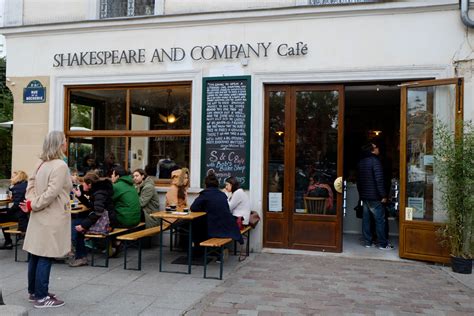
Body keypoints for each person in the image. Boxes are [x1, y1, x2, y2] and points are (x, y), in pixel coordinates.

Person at [19, 131, 71, 308]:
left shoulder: (40, 163)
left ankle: (34, 292)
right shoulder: (60, 165)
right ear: (59, 144)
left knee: (35, 253)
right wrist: (35, 204)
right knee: (46, 255)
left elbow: (30, 185)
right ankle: (42, 297)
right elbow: (52, 193)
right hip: (52, 214)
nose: (66, 144)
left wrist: (32, 202)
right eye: (64, 141)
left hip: (39, 215)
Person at [69, 171, 116, 267]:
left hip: (106, 223)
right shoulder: (98, 190)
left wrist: (83, 225)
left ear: (89, 184)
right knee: (76, 222)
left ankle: (79, 255)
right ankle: (75, 250)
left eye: (84, 184)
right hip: (105, 219)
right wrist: (80, 196)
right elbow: (93, 207)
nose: (82, 186)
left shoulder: (99, 193)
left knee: (76, 226)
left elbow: (98, 212)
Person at [190, 172, 243, 252]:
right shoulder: (222, 195)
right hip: (227, 227)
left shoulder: (205, 194)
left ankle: (197, 251)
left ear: (206, 185)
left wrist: (204, 208)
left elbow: (193, 207)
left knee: (194, 226)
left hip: (215, 227)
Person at [357, 142, 393, 250]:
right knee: (380, 220)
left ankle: (368, 242)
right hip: (375, 197)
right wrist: (383, 195)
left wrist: (361, 195)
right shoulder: (375, 161)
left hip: (365, 196)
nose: (378, 148)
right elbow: (379, 180)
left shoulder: (361, 162)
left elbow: (359, 181)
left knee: (366, 220)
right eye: (376, 147)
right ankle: (382, 244)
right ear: (372, 150)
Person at [0, 170, 29, 249]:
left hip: (20, 215)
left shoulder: (18, 188)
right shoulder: (25, 185)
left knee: (2, 217)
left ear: (18, 177)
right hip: (24, 214)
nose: (10, 179)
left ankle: (8, 242)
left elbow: (16, 205)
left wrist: (8, 211)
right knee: (3, 213)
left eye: (12, 177)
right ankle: (8, 242)